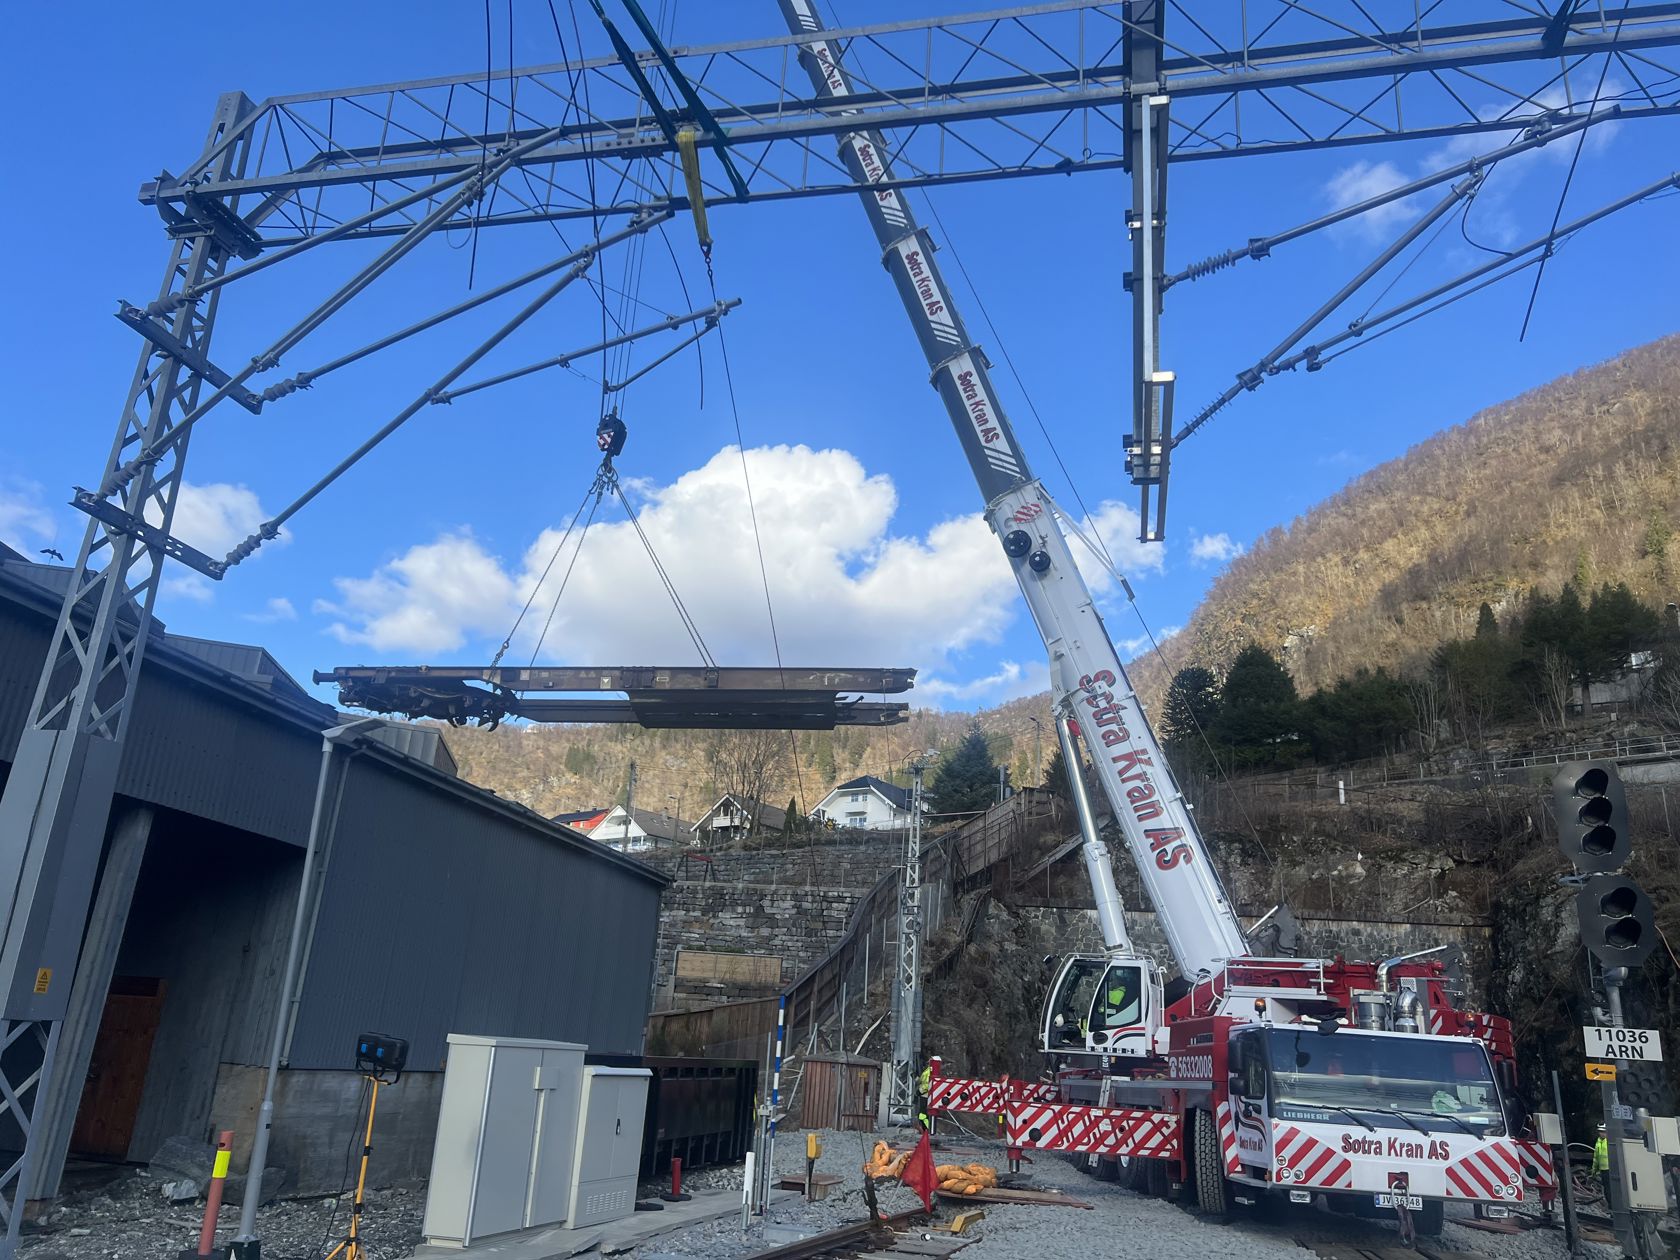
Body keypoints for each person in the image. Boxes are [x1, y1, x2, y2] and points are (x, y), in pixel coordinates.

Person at [1592, 1124, 1611, 1205]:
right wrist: (1594, 1170)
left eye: (1603, 1131)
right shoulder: (1598, 1142)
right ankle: (1610, 1207)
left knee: (1611, 1190)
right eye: (1600, 1131)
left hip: (1610, 1169)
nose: (1602, 1133)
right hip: (1603, 1170)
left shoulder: (1609, 1141)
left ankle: (1613, 1206)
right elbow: (1596, 1158)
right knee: (1607, 1190)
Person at [916, 1062, 932, 1133]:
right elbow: (922, 1081)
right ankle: (926, 1129)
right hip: (925, 1095)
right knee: (923, 1114)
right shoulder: (928, 1070)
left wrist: (920, 1091)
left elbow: (927, 1084)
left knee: (922, 1114)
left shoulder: (929, 1071)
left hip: (925, 1095)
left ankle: (926, 1129)